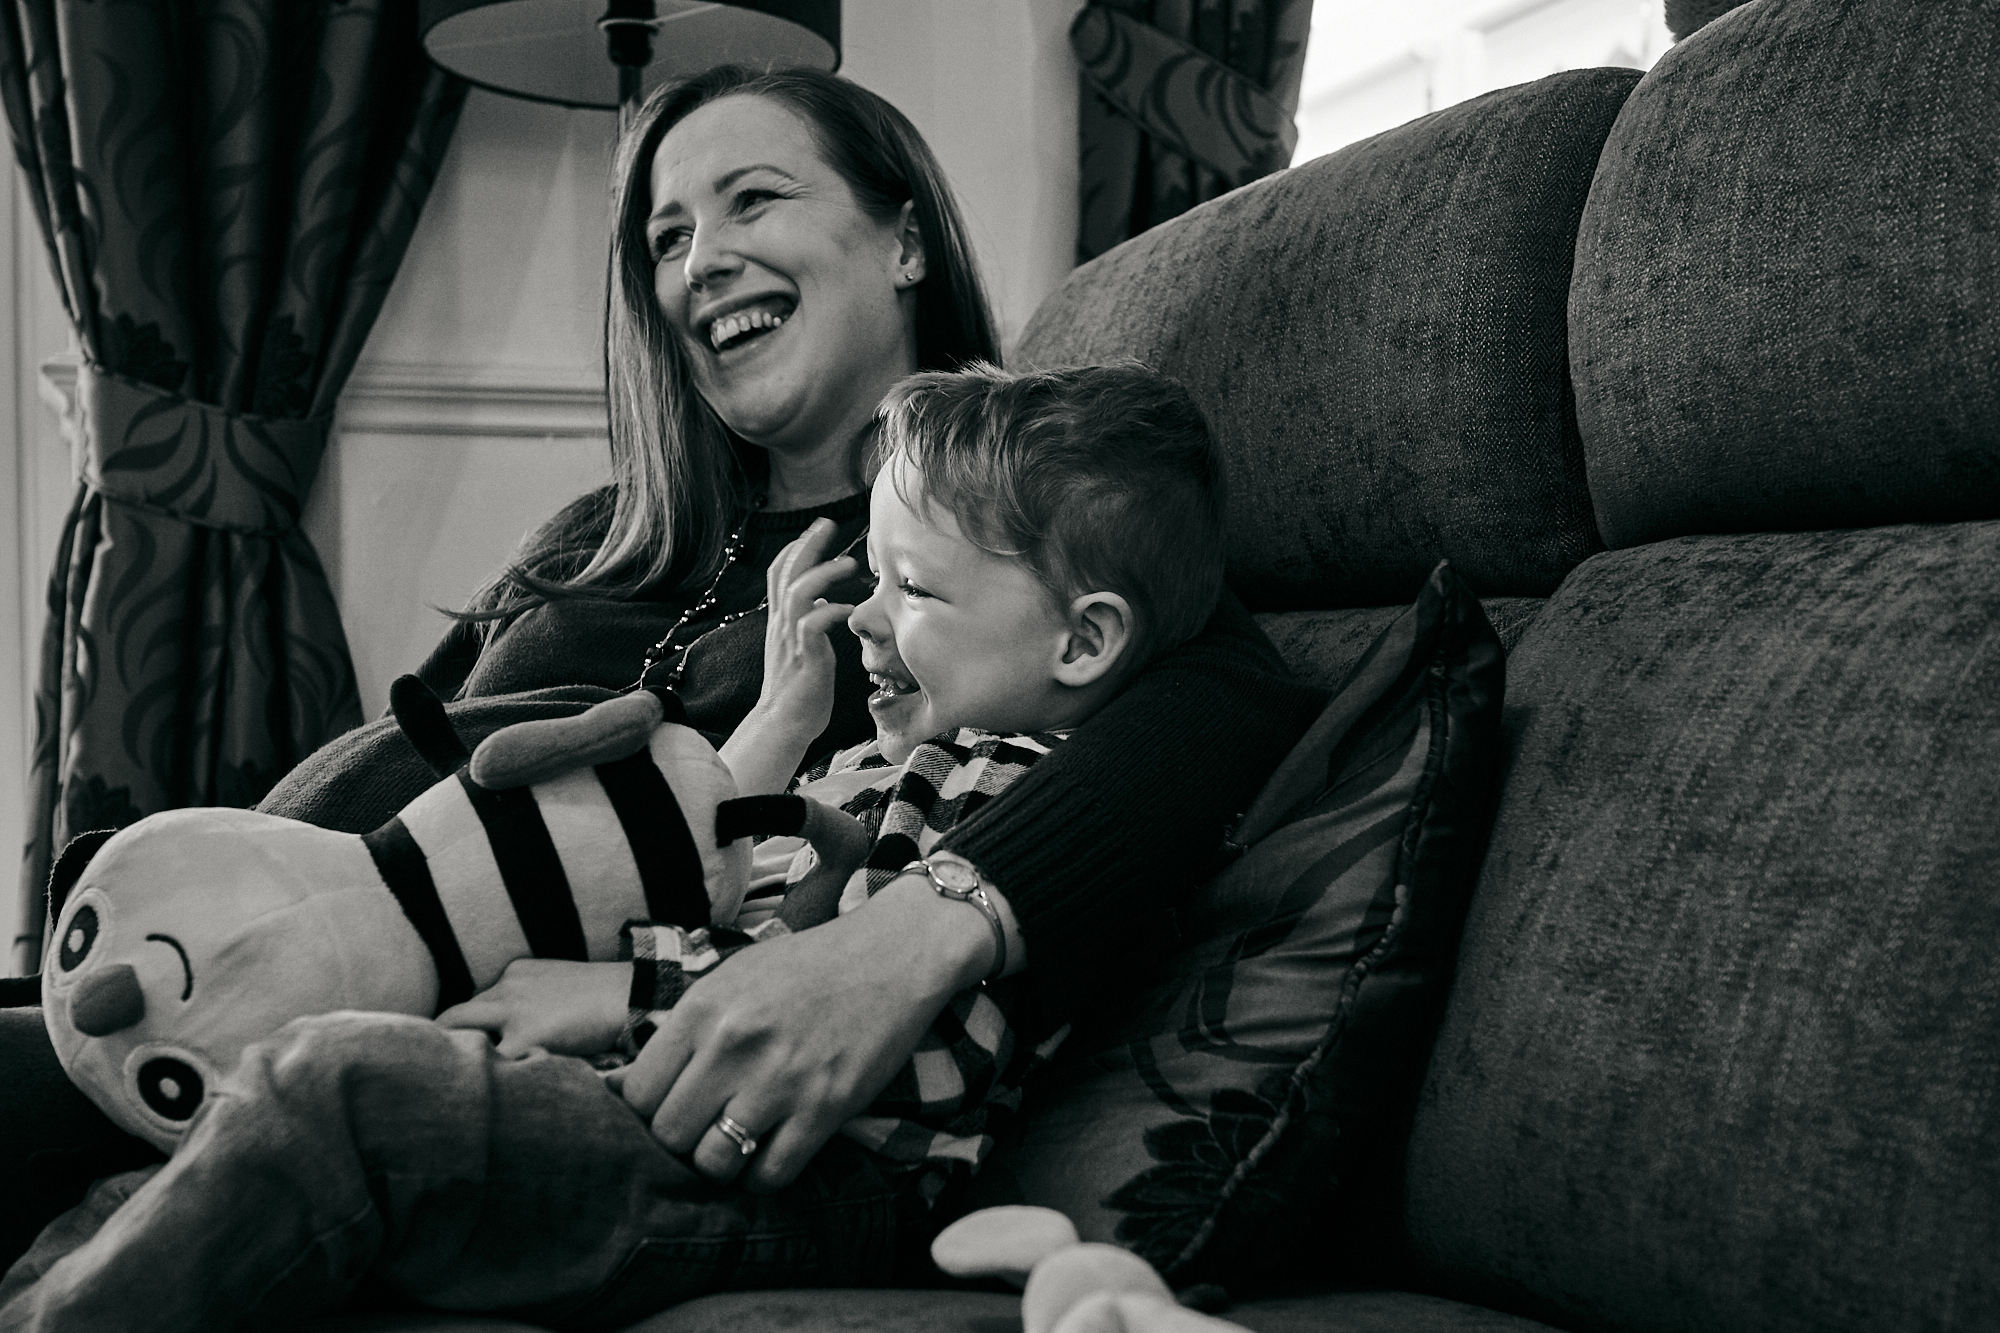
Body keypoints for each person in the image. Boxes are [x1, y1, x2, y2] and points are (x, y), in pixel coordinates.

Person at [0, 63, 1324, 1277]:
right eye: (667, 237)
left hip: (455, 1041)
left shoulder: (1004, 545)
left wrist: (925, 925)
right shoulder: (596, 534)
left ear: (904, 239)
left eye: (754, 199)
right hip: (240, 966)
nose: (703, 259)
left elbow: (1230, 700)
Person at [0, 358, 1237, 1330]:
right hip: (619, 1087)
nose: (864, 615)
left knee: (335, 1087)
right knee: (160, 1173)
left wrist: (617, 992)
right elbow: (713, 891)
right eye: (871, 575)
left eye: (913, 590)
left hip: (812, 1177)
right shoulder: (871, 756)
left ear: (1082, 642)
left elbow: (900, 1042)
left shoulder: (1017, 790)